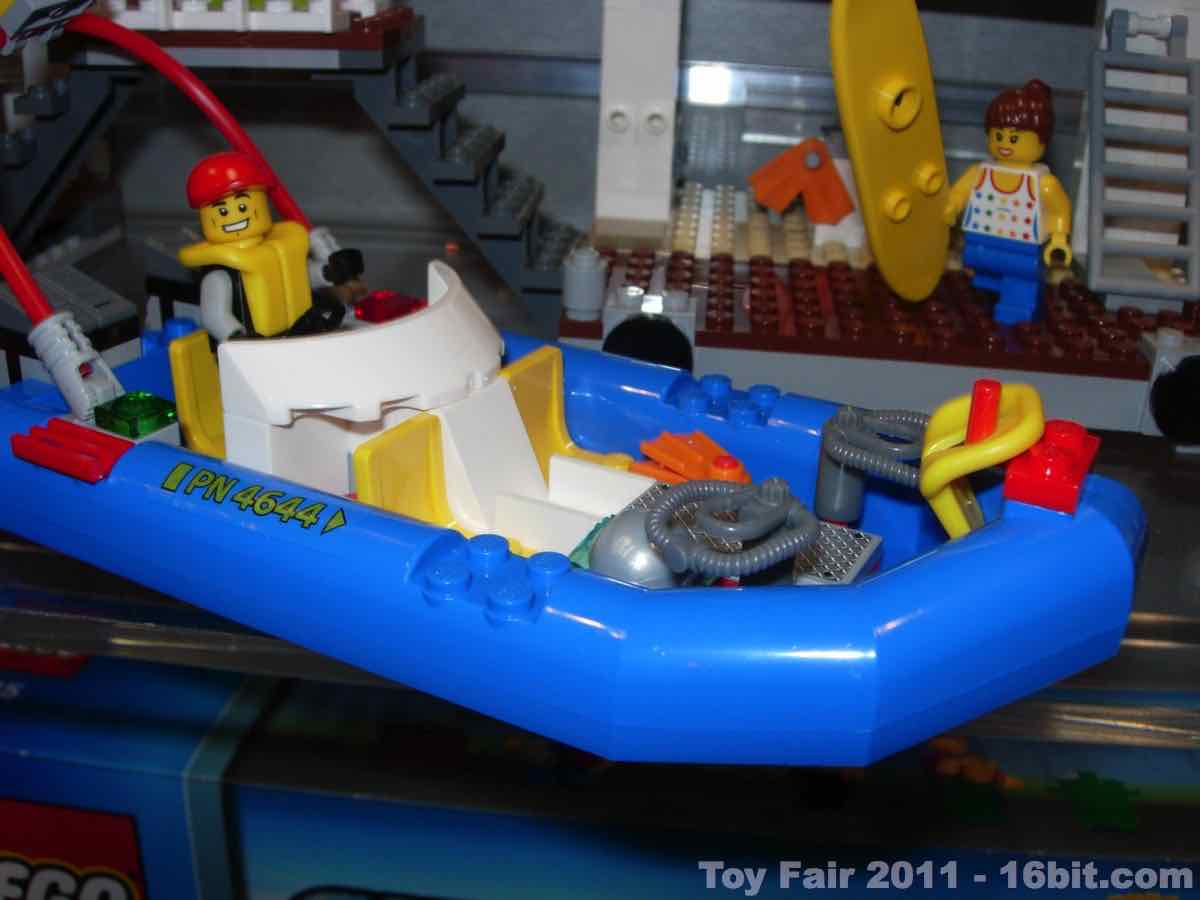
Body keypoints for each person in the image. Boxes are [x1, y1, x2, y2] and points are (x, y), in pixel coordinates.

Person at [178, 152, 363, 342]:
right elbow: (214, 316)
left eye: (242, 207)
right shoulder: (220, 274)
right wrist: (238, 337)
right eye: (223, 211)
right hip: (257, 347)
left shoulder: (279, 248)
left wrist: (329, 273)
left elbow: (300, 275)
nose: (236, 216)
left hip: (303, 332)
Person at [943, 79, 1072, 324]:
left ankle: (1015, 310)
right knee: (982, 276)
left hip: (1022, 249)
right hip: (982, 243)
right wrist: (952, 206)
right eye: (998, 135)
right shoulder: (981, 173)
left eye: (1013, 139)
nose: (1003, 144)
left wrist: (1058, 238)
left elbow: (1058, 210)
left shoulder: (1042, 183)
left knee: (1019, 282)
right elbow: (960, 192)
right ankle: (988, 292)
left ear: (1041, 144)